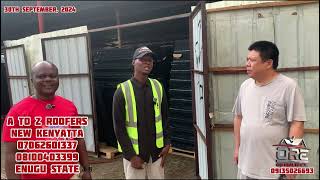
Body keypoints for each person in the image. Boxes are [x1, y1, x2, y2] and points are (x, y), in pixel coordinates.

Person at [2, 61, 92, 179]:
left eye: (52, 76)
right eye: (41, 76)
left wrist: (86, 169)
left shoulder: (69, 107)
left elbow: (78, 140)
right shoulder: (17, 112)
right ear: (32, 80)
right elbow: (11, 155)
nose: (48, 79)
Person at [233, 41, 306, 179]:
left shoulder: (288, 86)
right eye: (247, 59)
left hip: (273, 170)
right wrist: (237, 148)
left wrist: (292, 164)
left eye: (253, 60)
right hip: (245, 166)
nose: (247, 64)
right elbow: (238, 117)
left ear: (268, 63)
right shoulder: (245, 86)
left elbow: (297, 124)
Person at [113, 46, 171, 179]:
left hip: (156, 154)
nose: (147, 62)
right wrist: (131, 156)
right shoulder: (122, 91)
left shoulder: (158, 86)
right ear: (133, 62)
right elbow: (119, 128)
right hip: (135, 156)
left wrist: (167, 143)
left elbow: (165, 118)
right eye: (142, 59)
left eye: (150, 59)